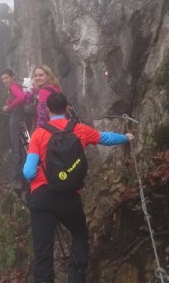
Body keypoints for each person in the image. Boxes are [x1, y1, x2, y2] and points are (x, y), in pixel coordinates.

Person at [23, 91, 135, 283]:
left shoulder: (39, 134)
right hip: (69, 196)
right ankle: (76, 277)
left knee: (43, 251)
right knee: (79, 234)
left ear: (47, 110)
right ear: (67, 109)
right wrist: (126, 137)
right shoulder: (79, 129)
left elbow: (27, 172)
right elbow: (105, 138)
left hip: (42, 197)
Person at [0, 68, 28, 190]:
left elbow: (21, 98)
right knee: (22, 147)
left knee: (17, 148)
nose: (4, 81)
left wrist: (9, 107)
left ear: (12, 77)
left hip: (16, 118)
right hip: (21, 118)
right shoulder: (17, 86)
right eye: (3, 79)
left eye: (6, 78)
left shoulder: (13, 87)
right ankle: (22, 177)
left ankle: (16, 180)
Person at [33, 64, 61, 129]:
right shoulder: (55, 88)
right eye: (36, 76)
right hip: (61, 125)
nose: (37, 78)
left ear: (48, 76)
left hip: (50, 128)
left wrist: (39, 131)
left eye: (41, 75)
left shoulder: (43, 91)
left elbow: (42, 113)